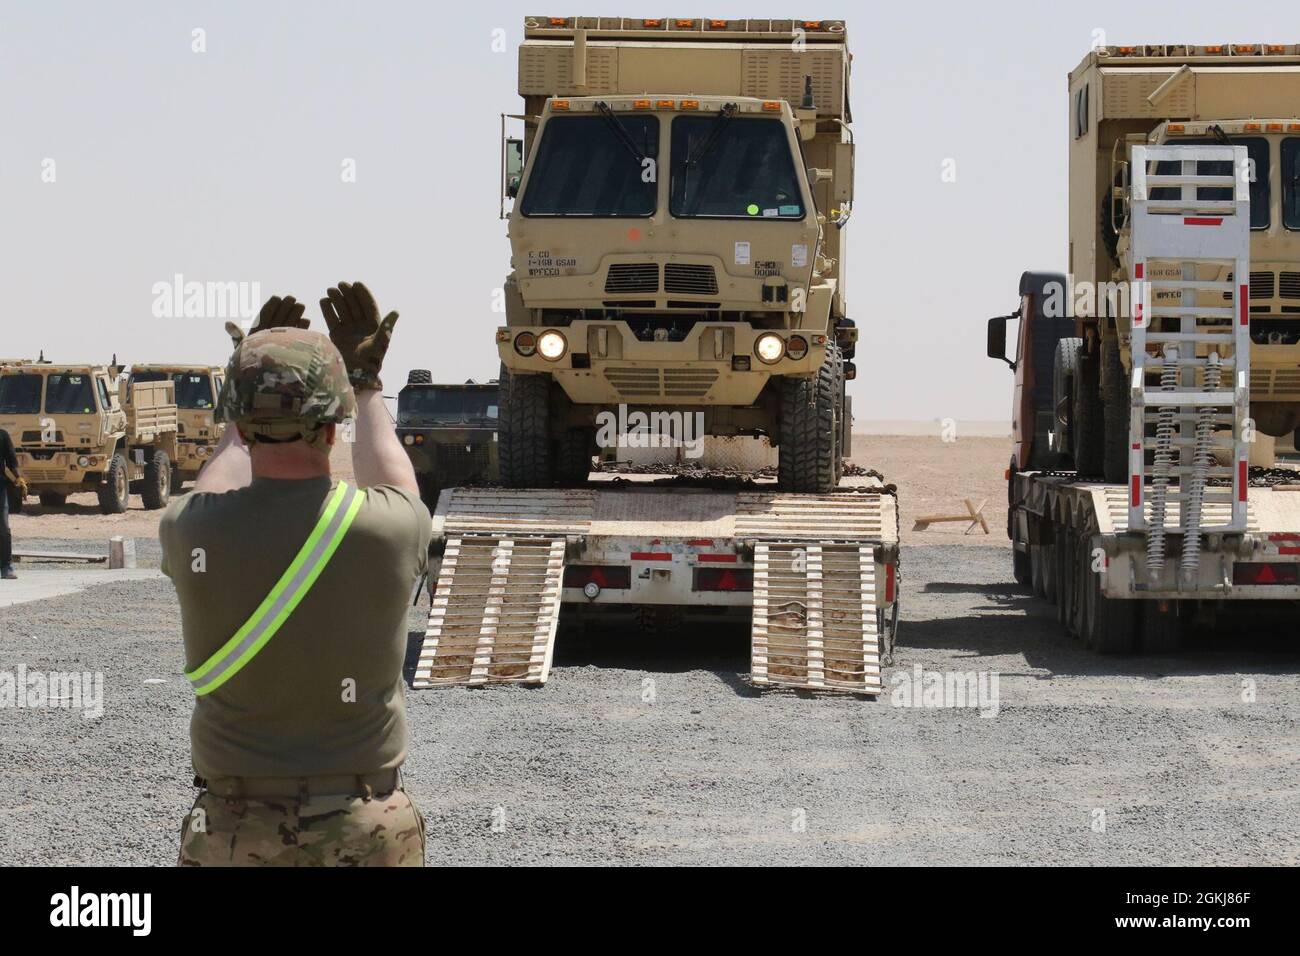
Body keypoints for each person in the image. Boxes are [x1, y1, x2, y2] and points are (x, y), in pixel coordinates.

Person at [160, 282, 431, 866]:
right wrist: (365, 385)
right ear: (332, 427)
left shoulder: (190, 532)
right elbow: (393, 478)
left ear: (240, 422)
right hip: (365, 825)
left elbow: (222, 473)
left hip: (234, 830)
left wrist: (248, 381)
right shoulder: (388, 529)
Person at [1, 425, 23, 580]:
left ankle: (6, 566)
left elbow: (11, 461)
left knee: (3, 527)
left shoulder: (2, 436)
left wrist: (19, 479)